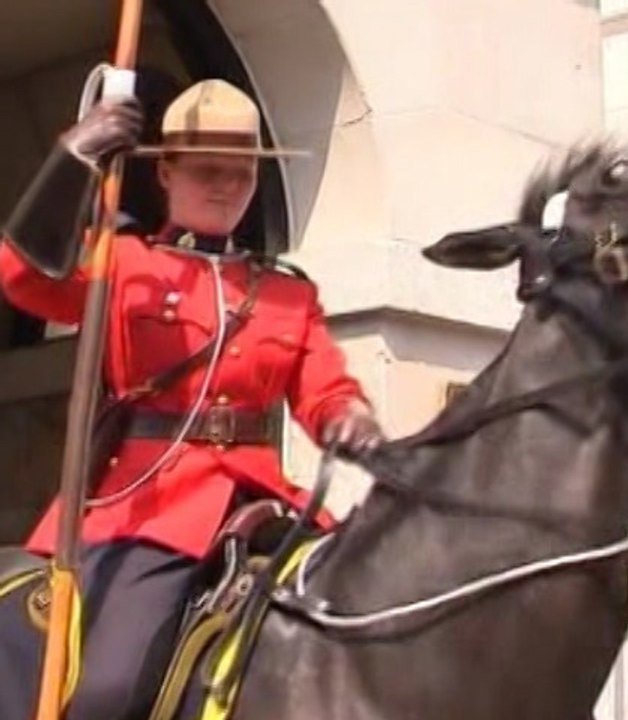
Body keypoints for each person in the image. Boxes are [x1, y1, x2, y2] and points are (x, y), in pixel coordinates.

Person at [0, 78, 383, 719]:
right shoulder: (122, 265)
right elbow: (20, 277)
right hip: (150, 506)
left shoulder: (288, 293)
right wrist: (75, 156)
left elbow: (326, 391)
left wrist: (352, 419)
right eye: (207, 170)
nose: (226, 187)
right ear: (167, 173)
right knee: (109, 690)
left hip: (261, 500)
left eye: (242, 173)